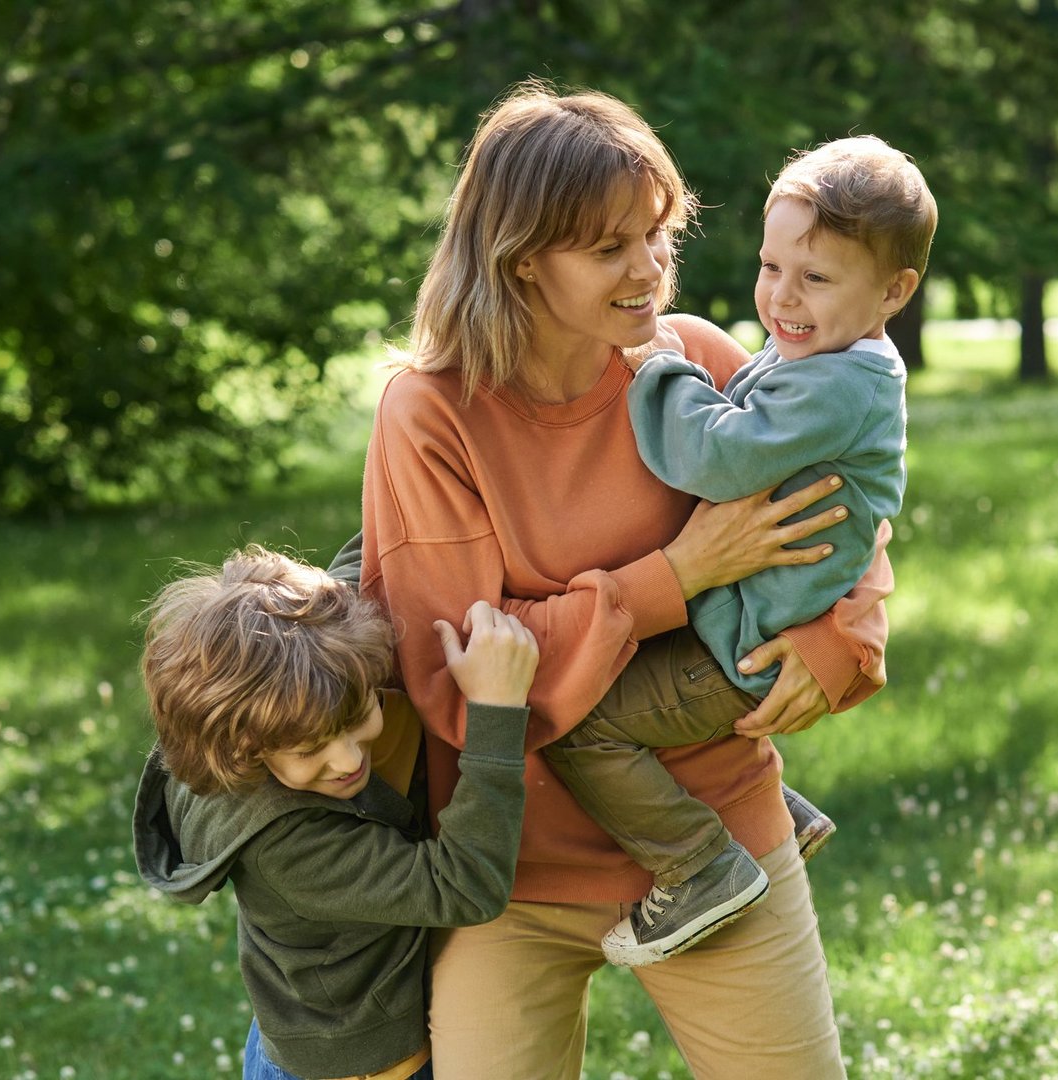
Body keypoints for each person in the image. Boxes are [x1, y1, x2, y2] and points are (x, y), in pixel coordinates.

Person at [357, 80, 895, 1079]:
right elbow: (458, 673)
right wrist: (677, 576)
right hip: (507, 872)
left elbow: (846, 514)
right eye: (610, 248)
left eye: (658, 233)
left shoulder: (693, 362)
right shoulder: (430, 417)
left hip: (722, 842)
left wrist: (842, 643)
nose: (651, 268)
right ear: (521, 262)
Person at [542, 134, 936, 967]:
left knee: (584, 724)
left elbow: (717, 455)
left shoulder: (838, 384)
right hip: (750, 622)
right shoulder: (825, 357)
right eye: (771, 268)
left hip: (746, 646)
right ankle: (782, 814)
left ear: (894, 290)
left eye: (817, 278)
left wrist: (661, 368)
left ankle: (697, 866)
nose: (782, 299)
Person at [132, 544, 540, 1080]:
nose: (348, 759)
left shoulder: (322, 664)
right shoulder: (285, 843)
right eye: (309, 751)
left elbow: (375, 541)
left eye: (359, 713)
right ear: (246, 750)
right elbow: (465, 884)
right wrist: (496, 711)